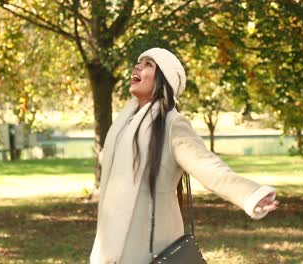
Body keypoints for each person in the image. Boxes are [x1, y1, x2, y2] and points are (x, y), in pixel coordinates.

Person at [90, 47, 279, 264]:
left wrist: (251, 194)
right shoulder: (123, 125)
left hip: (152, 245)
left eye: (148, 65)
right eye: (139, 62)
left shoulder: (172, 124)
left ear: (164, 79)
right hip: (112, 243)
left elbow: (208, 167)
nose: (138, 67)